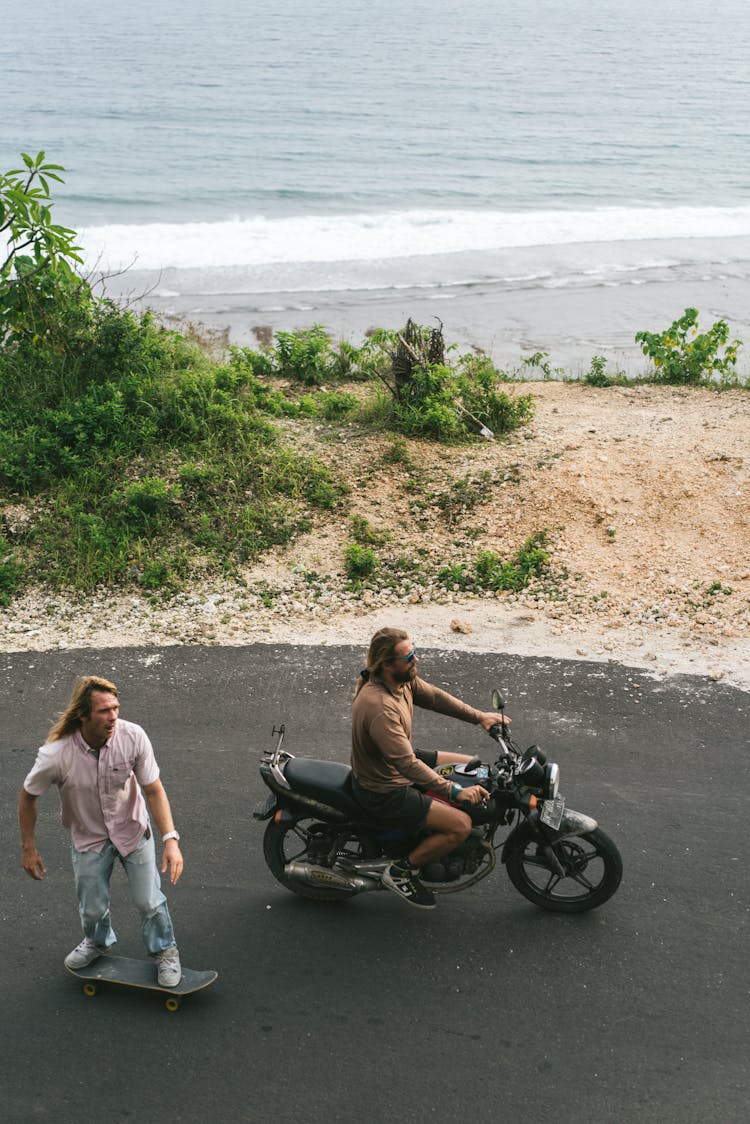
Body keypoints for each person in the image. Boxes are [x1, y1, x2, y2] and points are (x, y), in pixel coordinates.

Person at [18, 675, 184, 987]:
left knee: (149, 900)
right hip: (89, 837)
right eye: (104, 711)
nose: (113, 717)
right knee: (92, 910)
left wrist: (170, 839)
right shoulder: (56, 755)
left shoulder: (133, 736)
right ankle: (98, 941)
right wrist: (28, 847)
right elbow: (28, 796)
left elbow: (154, 790)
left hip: (133, 830)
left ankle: (165, 951)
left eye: (116, 708)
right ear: (83, 714)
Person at [351, 627, 507, 909]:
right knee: (460, 825)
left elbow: (434, 697)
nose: (416, 660)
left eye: (414, 652)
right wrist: (454, 791)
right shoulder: (380, 707)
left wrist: (480, 717)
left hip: (395, 762)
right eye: (409, 656)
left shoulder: (401, 680)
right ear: (387, 664)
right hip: (385, 788)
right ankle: (400, 873)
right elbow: (407, 764)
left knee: (472, 765)